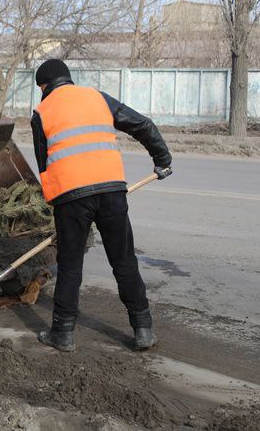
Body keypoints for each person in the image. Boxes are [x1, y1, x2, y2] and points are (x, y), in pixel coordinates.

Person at [31, 59, 172, 353]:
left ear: (44, 86)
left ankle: (63, 333)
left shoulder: (42, 113)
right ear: (67, 79)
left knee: (70, 266)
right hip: (111, 191)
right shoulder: (98, 98)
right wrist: (162, 160)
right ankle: (143, 329)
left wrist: (56, 207)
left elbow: (44, 166)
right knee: (124, 261)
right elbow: (142, 125)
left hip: (71, 197)